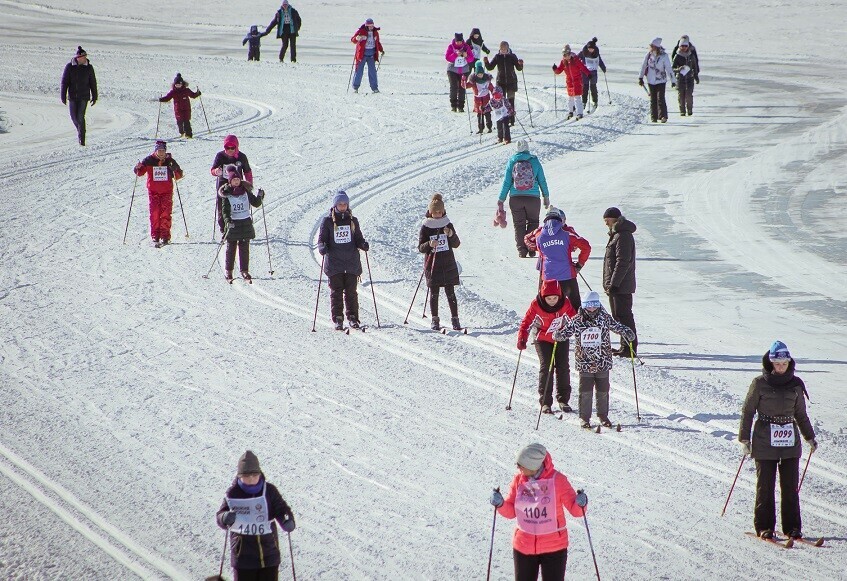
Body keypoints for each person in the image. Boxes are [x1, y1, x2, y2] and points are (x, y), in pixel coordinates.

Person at [739, 341, 817, 541]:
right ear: (770, 363)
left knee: (790, 486)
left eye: (784, 363)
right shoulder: (759, 384)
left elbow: (800, 414)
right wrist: (744, 439)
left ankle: (792, 528)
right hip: (765, 439)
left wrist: (809, 436)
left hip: (789, 441)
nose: (781, 367)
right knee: (765, 485)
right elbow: (747, 412)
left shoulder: (796, 384)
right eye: (777, 363)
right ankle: (765, 527)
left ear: (789, 362)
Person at [489, 443, 588, 581]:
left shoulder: (558, 480)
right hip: (524, 546)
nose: (518, 467)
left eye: (521, 464)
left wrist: (580, 503)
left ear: (532, 465)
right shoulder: (519, 480)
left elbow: (576, 511)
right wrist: (500, 504)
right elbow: (511, 511)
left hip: (554, 548)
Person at [552, 291, 634, 429]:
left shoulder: (604, 317)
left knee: (603, 390)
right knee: (585, 391)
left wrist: (626, 331)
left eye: (594, 304)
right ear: (584, 305)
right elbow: (567, 331)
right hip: (585, 362)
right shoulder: (577, 320)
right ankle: (584, 418)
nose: (591, 308)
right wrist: (558, 335)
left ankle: (603, 416)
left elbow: (616, 326)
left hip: (602, 361)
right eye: (588, 305)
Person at [217, 451, 295, 581]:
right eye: (247, 476)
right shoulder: (233, 493)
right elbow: (220, 515)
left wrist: (287, 520)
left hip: (269, 554)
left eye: (255, 475)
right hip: (243, 557)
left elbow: (281, 508)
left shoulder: (269, 490)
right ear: (240, 476)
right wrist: (224, 518)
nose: (252, 479)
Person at [517, 280, 577, 413]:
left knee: (563, 366)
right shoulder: (536, 304)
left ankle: (563, 400)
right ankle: (545, 402)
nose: (552, 301)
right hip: (542, 338)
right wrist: (522, 338)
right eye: (549, 298)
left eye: (555, 298)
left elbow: (574, 319)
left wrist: (582, 332)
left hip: (560, 336)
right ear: (543, 296)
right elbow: (526, 322)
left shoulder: (564, 303)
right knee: (547, 366)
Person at [317, 191, 370, 330]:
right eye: (340, 204)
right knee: (336, 292)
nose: (342, 206)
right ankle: (338, 319)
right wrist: (322, 247)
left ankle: (353, 317)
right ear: (335, 205)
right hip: (335, 263)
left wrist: (362, 244)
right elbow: (321, 239)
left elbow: (358, 238)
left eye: (344, 204)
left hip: (351, 262)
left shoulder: (353, 220)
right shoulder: (327, 221)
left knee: (351, 292)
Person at [497, 140, 550, 258]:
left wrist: (501, 199)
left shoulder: (512, 161)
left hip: (516, 198)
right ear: (527, 148)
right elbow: (542, 180)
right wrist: (546, 196)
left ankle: (521, 250)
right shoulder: (535, 161)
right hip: (533, 198)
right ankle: (531, 248)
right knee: (533, 222)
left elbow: (507, 182)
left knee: (519, 224)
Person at [418, 194, 462, 331]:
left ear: (443, 211)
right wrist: (430, 244)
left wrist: (451, 235)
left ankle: (455, 319)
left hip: (448, 264)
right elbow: (420, 247)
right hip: (433, 265)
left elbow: (456, 244)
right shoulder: (426, 226)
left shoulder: (447, 224)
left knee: (451, 293)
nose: (437, 214)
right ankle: (435, 319)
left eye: (439, 211)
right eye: (435, 212)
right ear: (430, 212)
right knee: (434, 293)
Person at [535, 207, 591, 311]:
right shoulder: (567, 234)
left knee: (549, 308)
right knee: (575, 307)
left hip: (548, 277)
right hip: (567, 276)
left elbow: (540, 253)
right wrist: (580, 263)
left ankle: (551, 326)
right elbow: (586, 246)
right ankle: (578, 326)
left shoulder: (539, 236)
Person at [602, 207, 638, 357]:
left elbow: (623, 262)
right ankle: (625, 346)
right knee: (618, 316)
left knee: (624, 316)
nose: (606, 224)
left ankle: (629, 348)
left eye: (607, 221)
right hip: (617, 285)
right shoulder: (617, 235)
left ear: (615, 219)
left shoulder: (623, 236)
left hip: (621, 285)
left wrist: (614, 283)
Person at [133, 140, 183, 247]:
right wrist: (137, 168)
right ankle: (155, 235)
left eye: (163, 150)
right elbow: (140, 172)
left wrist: (175, 170)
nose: (161, 153)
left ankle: (165, 236)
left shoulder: (170, 161)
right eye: (159, 150)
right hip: (153, 192)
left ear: (165, 151)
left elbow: (178, 175)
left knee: (165, 214)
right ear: (155, 151)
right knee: (155, 213)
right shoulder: (149, 160)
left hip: (167, 192)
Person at [219, 165, 264, 283]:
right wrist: (228, 221)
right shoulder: (227, 194)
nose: (236, 182)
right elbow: (225, 211)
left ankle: (244, 270)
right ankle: (229, 271)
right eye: (234, 180)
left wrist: (260, 196)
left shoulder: (246, 191)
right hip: (234, 224)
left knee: (244, 248)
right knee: (231, 248)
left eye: (238, 179)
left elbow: (256, 203)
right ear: (230, 181)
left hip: (245, 223)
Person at [211, 135, 253, 235]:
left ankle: (239, 228)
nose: (230, 150)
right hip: (224, 185)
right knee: (223, 208)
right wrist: (217, 171)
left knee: (238, 206)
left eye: (232, 148)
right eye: (227, 148)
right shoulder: (220, 156)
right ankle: (224, 230)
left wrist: (249, 185)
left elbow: (247, 171)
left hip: (238, 186)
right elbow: (212, 170)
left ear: (236, 147)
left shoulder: (241, 157)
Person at [60, 46, 97, 146]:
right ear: (78, 57)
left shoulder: (89, 67)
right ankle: (80, 130)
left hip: (84, 96)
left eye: (85, 56)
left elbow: (93, 82)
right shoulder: (69, 67)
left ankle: (82, 139)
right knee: (74, 117)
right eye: (83, 57)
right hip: (72, 96)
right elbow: (64, 82)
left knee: (80, 117)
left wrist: (94, 95)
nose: (85, 58)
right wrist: (63, 95)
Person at [483, 41, 523, 126]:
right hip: (501, 82)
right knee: (502, 101)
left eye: (505, 49)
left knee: (511, 101)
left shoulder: (512, 56)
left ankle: (512, 120)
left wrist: (520, 64)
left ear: (508, 48)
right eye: (502, 49)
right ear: (500, 49)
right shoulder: (498, 57)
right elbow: (490, 67)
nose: (503, 50)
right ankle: (505, 118)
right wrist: (486, 62)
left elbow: (519, 68)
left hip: (511, 82)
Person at [638, 38, 675, 123]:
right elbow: (643, 66)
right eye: (650, 45)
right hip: (650, 80)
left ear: (657, 46)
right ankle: (653, 117)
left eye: (652, 46)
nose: (650, 47)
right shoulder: (648, 55)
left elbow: (669, 68)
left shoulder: (664, 56)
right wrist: (640, 77)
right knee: (653, 99)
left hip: (661, 80)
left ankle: (663, 116)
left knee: (660, 98)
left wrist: (673, 80)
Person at [552, 44, 589, 120]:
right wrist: (555, 69)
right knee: (570, 98)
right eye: (564, 55)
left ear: (570, 53)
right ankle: (570, 112)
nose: (566, 56)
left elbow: (582, 67)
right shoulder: (563, 62)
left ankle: (580, 113)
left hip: (577, 81)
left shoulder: (576, 60)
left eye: (567, 54)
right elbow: (559, 70)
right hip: (569, 82)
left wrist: (588, 74)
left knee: (577, 97)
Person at [158, 73, 201, 138]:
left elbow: (193, 95)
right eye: (176, 85)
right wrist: (161, 99)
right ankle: (182, 132)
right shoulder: (173, 92)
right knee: (180, 122)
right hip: (178, 110)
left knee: (186, 122)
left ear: (182, 84)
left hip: (186, 109)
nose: (178, 86)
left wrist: (197, 93)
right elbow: (167, 98)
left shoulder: (186, 90)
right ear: (174, 85)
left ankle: (189, 134)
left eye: (179, 85)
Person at [350, 18, 384, 94]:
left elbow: (377, 42)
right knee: (359, 71)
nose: (371, 27)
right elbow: (353, 40)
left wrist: (381, 50)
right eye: (370, 26)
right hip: (362, 55)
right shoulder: (361, 31)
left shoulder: (375, 33)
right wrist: (356, 38)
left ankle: (374, 88)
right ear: (367, 26)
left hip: (371, 54)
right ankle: (355, 88)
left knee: (372, 72)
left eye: (372, 25)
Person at [445, 33, 475, 112]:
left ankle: (461, 106)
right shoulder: (451, 47)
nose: (458, 43)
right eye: (457, 41)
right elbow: (447, 58)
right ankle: (453, 105)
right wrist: (455, 54)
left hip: (463, 70)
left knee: (462, 87)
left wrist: (466, 55)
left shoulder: (466, 47)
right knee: (454, 87)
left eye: (460, 41)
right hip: (452, 70)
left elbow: (471, 59)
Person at [672, 37, 700, 116]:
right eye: (682, 46)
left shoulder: (691, 55)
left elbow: (695, 66)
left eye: (685, 46)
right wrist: (678, 69)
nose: (684, 48)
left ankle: (690, 109)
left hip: (689, 78)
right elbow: (672, 68)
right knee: (681, 95)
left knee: (689, 95)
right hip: (680, 78)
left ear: (688, 46)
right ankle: (682, 111)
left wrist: (696, 76)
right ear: (679, 46)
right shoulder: (677, 56)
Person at [578, 38, 606, 113]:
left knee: (593, 87)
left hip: (593, 72)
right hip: (584, 72)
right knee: (585, 87)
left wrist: (603, 68)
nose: (590, 50)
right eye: (589, 49)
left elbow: (600, 61)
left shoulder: (596, 53)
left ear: (594, 48)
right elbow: (576, 59)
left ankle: (595, 101)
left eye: (591, 49)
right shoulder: (583, 53)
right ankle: (584, 102)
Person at [467, 61, 494, 134]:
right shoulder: (473, 81)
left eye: (481, 74)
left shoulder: (487, 80)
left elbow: (491, 88)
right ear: (476, 74)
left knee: (487, 114)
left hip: (486, 99)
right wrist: (463, 81)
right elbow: (466, 86)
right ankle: (481, 128)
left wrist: (494, 93)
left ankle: (489, 127)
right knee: (479, 115)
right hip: (477, 100)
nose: (480, 75)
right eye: (478, 74)